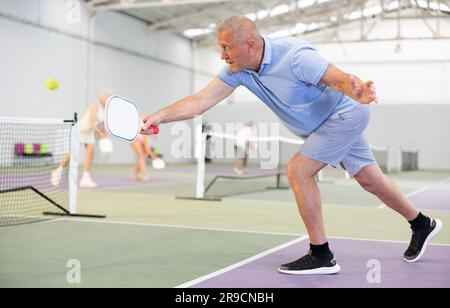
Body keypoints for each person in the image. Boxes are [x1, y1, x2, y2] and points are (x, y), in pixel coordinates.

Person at [140, 16, 442, 275]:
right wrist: (159, 116)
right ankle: (421, 223)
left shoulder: (294, 55)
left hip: (345, 114)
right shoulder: (240, 70)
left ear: (250, 45)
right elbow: (199, 101)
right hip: (327, 125)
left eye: (226, 47)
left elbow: (337, 79)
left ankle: (321, 255)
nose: (222, 55)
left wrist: (358, 90)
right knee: (370, 179)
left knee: (298, 171)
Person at [77, 89, 111, 188]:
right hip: (80, 130)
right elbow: (91, 122)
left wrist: (105, 134)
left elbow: (103, 125)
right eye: (108, 97)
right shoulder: (95, 106)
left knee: (90, 155)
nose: (109, 99)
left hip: (89, 132)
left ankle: (85, 179)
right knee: (71, 155)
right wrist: (100, 133)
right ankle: (59, 170)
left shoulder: (106, 111)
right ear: (103, 98)